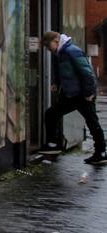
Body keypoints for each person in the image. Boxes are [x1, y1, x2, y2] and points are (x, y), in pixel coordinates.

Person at [40, 30, 107, 164]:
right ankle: (53, 145)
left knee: (92, 122)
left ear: (56, 41)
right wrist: (56, 83)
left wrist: (89, 94)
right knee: (51, 114)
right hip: (70, 94)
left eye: (48, 46)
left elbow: (87, 73)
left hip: (82, 95)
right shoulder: (59, 53)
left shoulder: (72, 51)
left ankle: (101, 153)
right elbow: (62, 71)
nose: (48, 49)